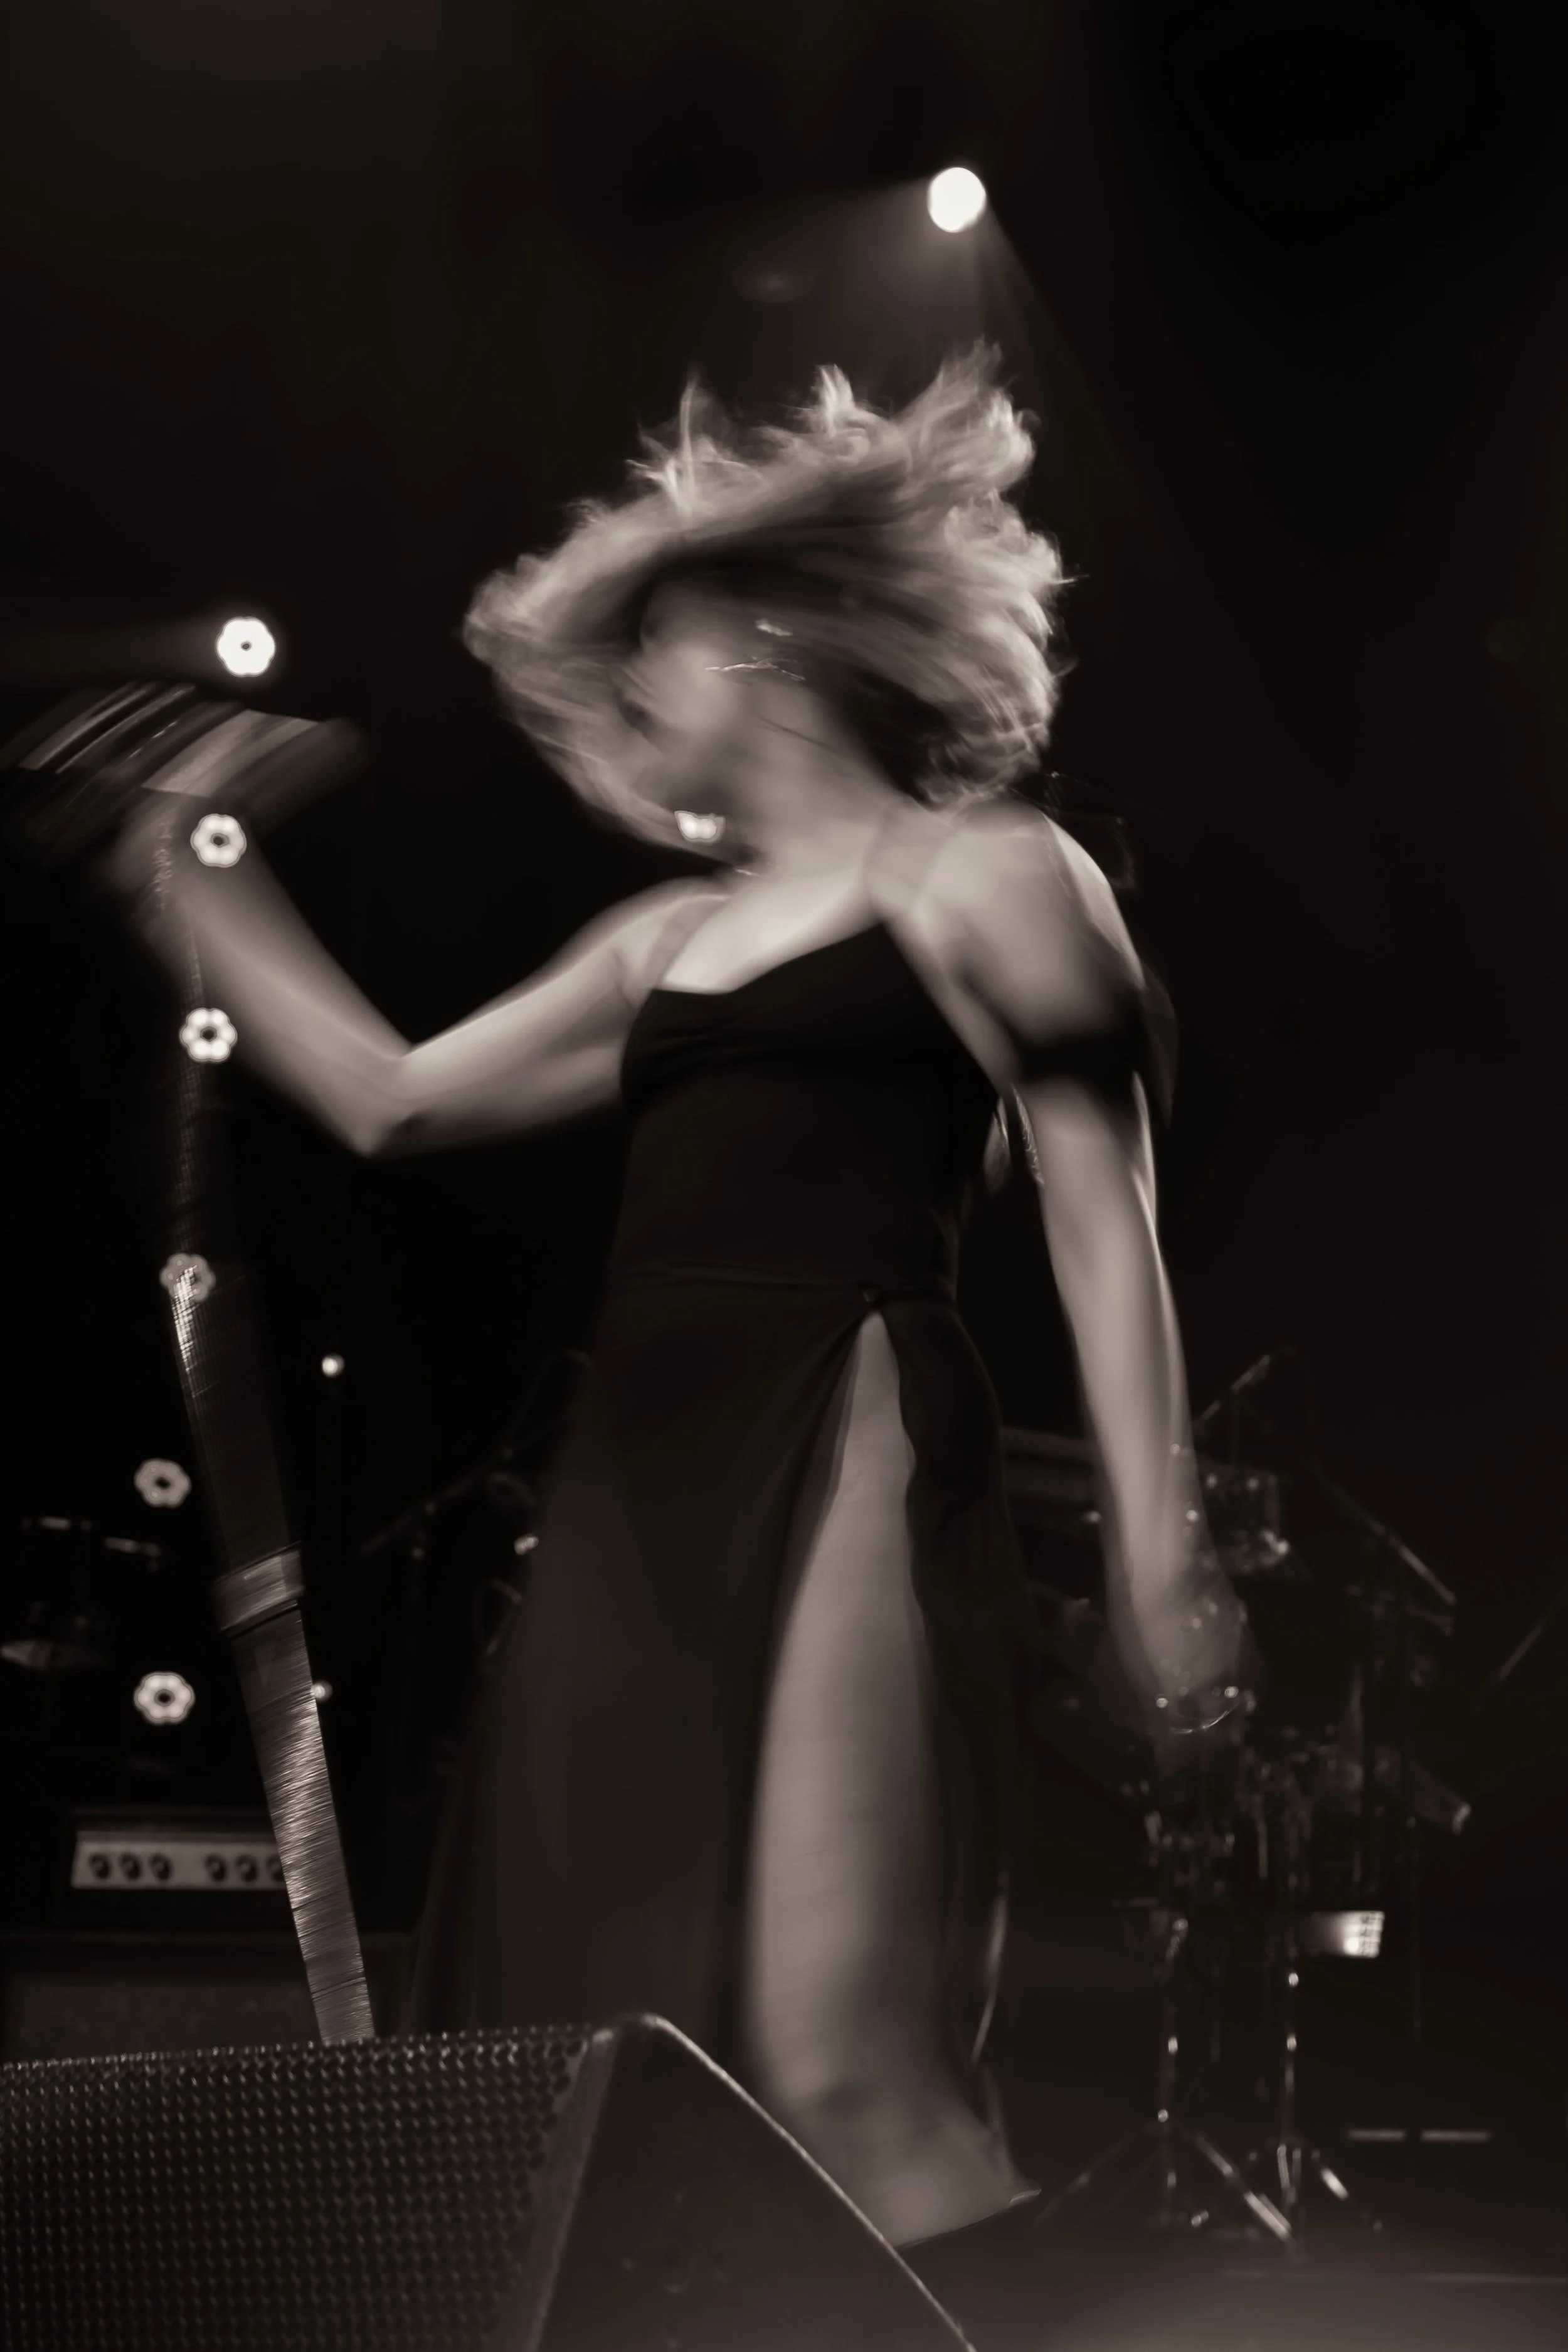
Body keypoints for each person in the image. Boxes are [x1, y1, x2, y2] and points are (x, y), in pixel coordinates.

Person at [107, 346, 1248, 2249]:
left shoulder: (982, 869)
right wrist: (187, 876)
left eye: (664, 640)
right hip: (636, 1474)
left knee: (849, 2075)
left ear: (778, 636)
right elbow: (391, 1100)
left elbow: (1098, 1211)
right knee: (585, 2049)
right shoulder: (663, 942)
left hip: (843, 1415)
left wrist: (1157, 1551)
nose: (635, 689)